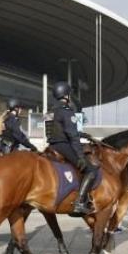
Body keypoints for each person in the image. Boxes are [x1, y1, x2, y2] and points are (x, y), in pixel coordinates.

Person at [47, 81, 98, 217]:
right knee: (91, 170)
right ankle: (79, 202)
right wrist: (80, 156)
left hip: (52, 145)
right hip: (63, 145)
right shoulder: (67, 111)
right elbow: (72, 136)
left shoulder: (51, 112)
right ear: (67, 95)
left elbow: (58, 129)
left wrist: (83, 134)